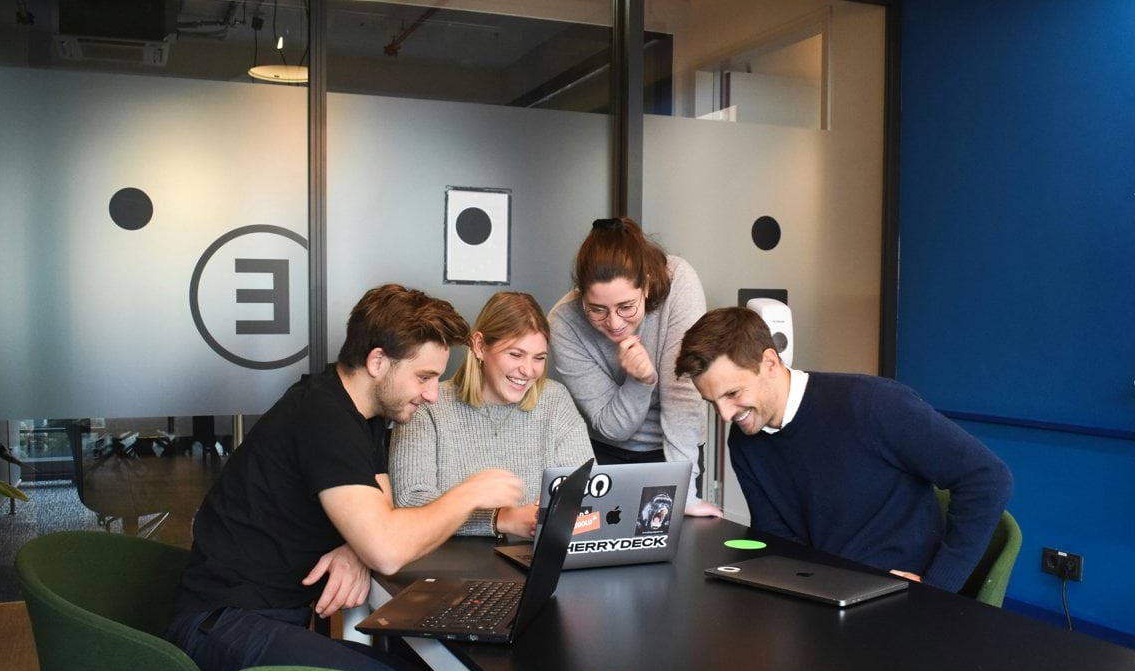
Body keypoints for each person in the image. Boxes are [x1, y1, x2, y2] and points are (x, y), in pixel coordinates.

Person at [165, 284, 524, 671]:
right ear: (377, 361)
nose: (432, 394)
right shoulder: (323, 416)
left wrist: (358, 546)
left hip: (268, 618)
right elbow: (388, 551)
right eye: (424, 376)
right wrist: (470, 493)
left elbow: (382, 512)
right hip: (222, 626)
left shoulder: (361, 413)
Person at [674, 306, 1013, 592]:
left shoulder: (872, 404)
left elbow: (987, 478)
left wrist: (937, 587)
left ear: (770, 363)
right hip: (828, 595)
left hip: (901, 598)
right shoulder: (745, 442)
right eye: (711, 402)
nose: (725, 415)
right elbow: (779, 541)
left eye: (732, 394)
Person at [548, 216, 722, 517]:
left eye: (626, 307)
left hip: (677, 451)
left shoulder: (679, 280)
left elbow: (683, 396)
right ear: (581, 294)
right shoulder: (564, 323)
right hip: (604, 452)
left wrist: (685, 495)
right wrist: (640, 381)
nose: (614, 323)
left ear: (647, 284)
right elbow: (613, 426)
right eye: (597, 309)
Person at [390, 291, 593, 539]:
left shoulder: (555, 401)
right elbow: (410, 502)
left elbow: (589, 493)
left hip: (532, 558)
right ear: (479, 346)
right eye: (515, 354)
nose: (528, 370)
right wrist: (500, 519)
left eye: (539, 358)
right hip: (447, 563)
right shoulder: (427, 404)